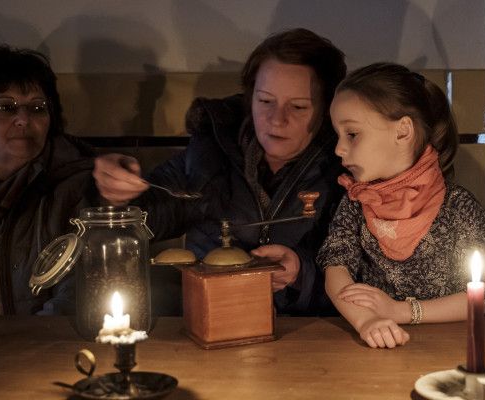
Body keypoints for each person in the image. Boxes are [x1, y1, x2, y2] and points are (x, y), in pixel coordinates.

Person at [93, 28, 347, 315]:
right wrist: (115, 194)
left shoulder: (345, 168)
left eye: (298, 107)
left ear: (327, 109)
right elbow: (144, 219)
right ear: (249, 98)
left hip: (306, 330)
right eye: (265, 101)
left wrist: (301, 273)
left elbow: (368, 277)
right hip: (208, 317)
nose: (277, 120)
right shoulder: (211, 150)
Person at [317, 63, 485, 348]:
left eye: (351, 134)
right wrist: (366, 321)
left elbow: (478, 298)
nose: (338, 149)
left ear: (402, 131)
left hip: (451, 349)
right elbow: (335, 270)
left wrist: (400, 311)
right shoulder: (356, 203)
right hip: (377, 348)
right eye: (337, 135)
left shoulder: (458, 207)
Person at [0, 45, 96, 315]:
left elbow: (74, 294)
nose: (23, 119)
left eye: (37, 108)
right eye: (6, 107)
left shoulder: (71, 186)